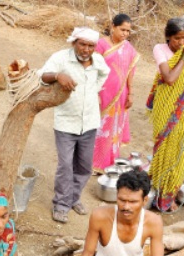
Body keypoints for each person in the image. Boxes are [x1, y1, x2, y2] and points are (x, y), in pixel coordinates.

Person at [39, 27, 110, 223]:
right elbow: (42, 75)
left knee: (84, 166)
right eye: (82, 44)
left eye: (90, 46)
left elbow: (105, 73)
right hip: (65, 124)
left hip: (90, 122)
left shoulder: (98, 62)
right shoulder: (62, 58)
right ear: (74, 43)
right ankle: (61, 204)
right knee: (65, 166)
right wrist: (57, 76)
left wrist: (95, 89)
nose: (86, 49)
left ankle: (73, 198)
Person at [147, 17, 184, 212]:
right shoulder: (160, 50)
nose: (181, 42)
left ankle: (170, 192)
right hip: (165, 107)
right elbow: (169, 78)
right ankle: (159, 194)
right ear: (168, 37)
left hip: (183, 107)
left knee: (180, 148)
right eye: (177, 38)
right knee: (164, 150)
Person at [92, 14, 140, 173]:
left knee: (114, 129)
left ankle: (109, 162)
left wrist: (131, 93)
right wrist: (96, 92)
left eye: (128, 31)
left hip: (120, 95)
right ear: (113, 26)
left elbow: (130, 73)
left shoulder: (129, 48)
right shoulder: (101, 45)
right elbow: (93, 70)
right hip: (103, 94)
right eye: (122, 29)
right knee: (99, 127)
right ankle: (93, 162)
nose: (125, 34)